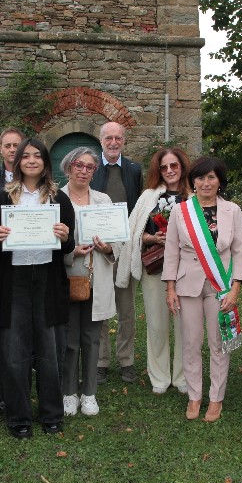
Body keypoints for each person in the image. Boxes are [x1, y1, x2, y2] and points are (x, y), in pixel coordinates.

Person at [0, 138, 76, 439]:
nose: (32, 160)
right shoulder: (2, 199)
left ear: (46, 163)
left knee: (50, 350)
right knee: (15, 350)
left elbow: (69, 246)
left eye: (38, 156)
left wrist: (65, 236)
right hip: (13, 281)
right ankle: (18, 416)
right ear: (17, 162)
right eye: (26, 156)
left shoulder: (59, 199)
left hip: (48, 280)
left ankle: (51, 413)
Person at [163, 157, 242, 421]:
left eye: (211, 177)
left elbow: (239, 251)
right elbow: (172, 250)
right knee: (190, 342)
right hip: (187, 284)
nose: (206, 182)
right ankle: (195, 396)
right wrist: (170, 287)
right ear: (193, 181)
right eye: (200, 177)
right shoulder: (181, 210)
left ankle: (216, 398)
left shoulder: (232, 211)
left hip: (220, 285)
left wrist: (235, 288)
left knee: (219, 342)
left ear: (220, 180)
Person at [116, 147, 190, 394]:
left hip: (188, 270)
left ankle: (181, 376)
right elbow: (134, 232)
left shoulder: (195, 195)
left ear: (182, 166)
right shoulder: (149, 196)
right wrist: (152, 237)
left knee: (184, 325)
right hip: (155, 267)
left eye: (174, 166)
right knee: (157, 325)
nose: (169, 171)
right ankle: (159, 376)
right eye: (164, 167)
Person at [60, 147, 116, 416]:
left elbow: (117, 239)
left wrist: (107, 248)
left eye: (89, 167)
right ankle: (69, 392)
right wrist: (71, 253)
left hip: (97, 277)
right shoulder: (55, 199)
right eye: (78, 165)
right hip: (67, 277)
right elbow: (48, 243)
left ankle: (90, 393)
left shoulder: (104, 201)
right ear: (69, 167)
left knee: (92, 338)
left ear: (95, 172)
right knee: (70, 339)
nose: (83, 171)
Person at [90, 121, 143, 384]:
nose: (113, 143)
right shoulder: (91, 167)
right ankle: (100, 362)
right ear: (100, 140)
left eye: (118, 138)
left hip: (126, 247)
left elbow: (140, 207)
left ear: (124, 140)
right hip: (97, 247)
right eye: (108, 138)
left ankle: (126, 361)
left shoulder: (134, 170)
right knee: (99, 307)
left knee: (126, 309)